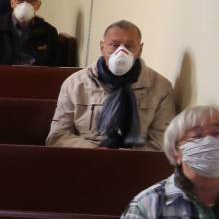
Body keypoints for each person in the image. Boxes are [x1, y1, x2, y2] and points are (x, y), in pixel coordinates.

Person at [47, 20, 177, 149]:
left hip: (136, 163)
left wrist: (123, 157)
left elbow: (162, 141)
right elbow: (58, 136)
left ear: (140, 50)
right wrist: (96, 152)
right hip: (87, 159)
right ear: (102, 47)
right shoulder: (75, 84)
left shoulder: (160, 87)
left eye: (129, 46)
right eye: (114, 45)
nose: (121, 52)